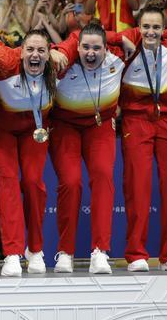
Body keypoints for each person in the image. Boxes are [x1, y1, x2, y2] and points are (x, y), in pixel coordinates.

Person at [116, 5, 167, 272]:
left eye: (156, 27)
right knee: (137, 187)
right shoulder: (129, 48)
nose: (151, 32)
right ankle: (136, 253)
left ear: (164, 30)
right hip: (135, 121)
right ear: (139, 28)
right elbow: (109, 36)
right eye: (146, 27)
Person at [0, 29, 57, 276]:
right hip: (1, 129)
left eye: (41, 50)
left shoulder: (57, 65)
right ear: (20, 51)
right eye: (30, 50)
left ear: (50, 53)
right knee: (9, 180)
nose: (35, 55)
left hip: (34, 130)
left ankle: (35, 249)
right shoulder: (4, 60)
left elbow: (83, 39)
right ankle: (11, 253)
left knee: (34, 183)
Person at [50, 23, 125, 274]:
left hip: (100, 126)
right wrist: (65, 45)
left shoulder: (119, 57)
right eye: (85, 47)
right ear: (77, 47)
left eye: (96, 48)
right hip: (65, 126)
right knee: (71, 183)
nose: (90, 53)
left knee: (103, 176)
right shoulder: (63, 62)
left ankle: (100, 251)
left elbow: (145, 33)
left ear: (106, 48)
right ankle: (65, 252)